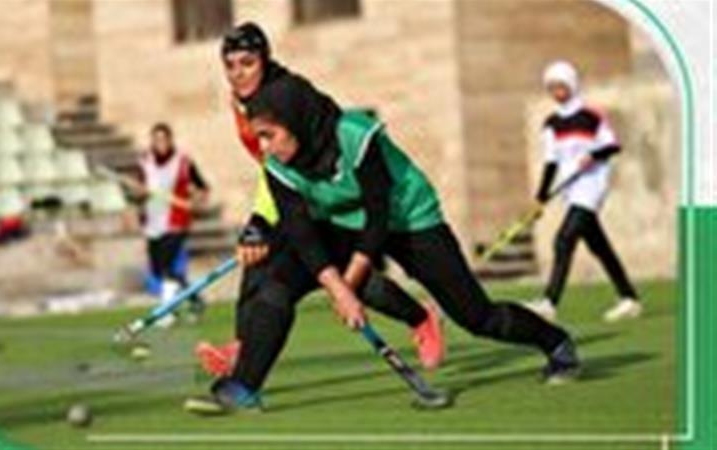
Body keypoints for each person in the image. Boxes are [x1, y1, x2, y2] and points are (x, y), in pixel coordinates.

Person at [184, 73, 580, 415]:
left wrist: (349, 285)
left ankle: (556, 343)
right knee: (276, 283)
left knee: (476, 316)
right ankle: (244, 387)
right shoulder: (278, 168)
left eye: (269, 135)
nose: (265, 147)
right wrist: (339, 288)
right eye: (259, 137)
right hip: (341, 220)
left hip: (407, 218)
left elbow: (377, 215)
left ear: (297, 122)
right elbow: (301, 233)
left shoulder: (355, 135)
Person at [194, 22, 444, 376]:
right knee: (259, 260)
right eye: (230, 65)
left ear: (265, 59)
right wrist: (261, 220)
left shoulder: (285, 94)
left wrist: (262, 218)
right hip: (294, 191)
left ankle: (420, 318)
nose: (238, 73)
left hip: (334, 196)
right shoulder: (242, 103)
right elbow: (271, 167)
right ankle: (245, 347)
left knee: (347, 277)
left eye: (247, 63)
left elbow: (308, 158)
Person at [523, 61, 641, 323]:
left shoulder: (591, 117)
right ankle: (629, 297)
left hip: (592, 185)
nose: (557, 91)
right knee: (599, 246)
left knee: (563, 239)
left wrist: (593, 155)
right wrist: (540, 197)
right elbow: (551, 163)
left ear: (572, 84)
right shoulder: (551, 123)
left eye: (561, 85)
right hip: (570, 189)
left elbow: (613, 146)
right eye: (552, 87)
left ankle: (549, 302)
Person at [137, 122, 209, 327]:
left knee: (168, 267)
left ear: (170, 140)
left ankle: (166, 313)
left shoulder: (183, 162)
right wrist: (141, 194)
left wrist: (194, 202)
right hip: (153, 222)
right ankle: (195, 298)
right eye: (156, 139)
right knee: (158, 270)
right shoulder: (144, 162)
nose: (160, 143)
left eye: (163, 139)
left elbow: (202, 188)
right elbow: (138, 192)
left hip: (177, 221)